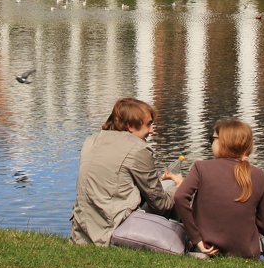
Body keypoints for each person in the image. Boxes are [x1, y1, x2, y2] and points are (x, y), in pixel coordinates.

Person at [70, 98, 183, 246]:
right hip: (112, 231)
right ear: (130, 126)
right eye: (148, 124)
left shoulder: (90, 141)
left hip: (81, 232)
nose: (152, 130)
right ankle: (185, 244)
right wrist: (180, 187)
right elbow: (161, 204)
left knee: (165, 187)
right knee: (173, 189)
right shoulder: (138, 148)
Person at [174, 118, 264, 259]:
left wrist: (197, 239)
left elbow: (180, 197)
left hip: (206, 247)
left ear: (223, 142)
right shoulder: (259, 175)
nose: (211, 143)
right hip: (245, 253)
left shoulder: (201, 167)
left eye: (212, 139)